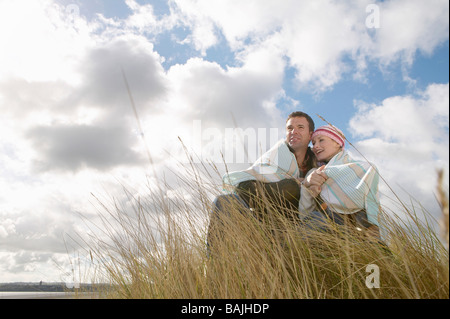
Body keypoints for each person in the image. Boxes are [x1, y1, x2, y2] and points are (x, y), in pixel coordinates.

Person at [206, 111, 317, 255]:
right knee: (224, 201)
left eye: (300, 127)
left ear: (310, 134)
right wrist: (293, 185)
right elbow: (243, 188)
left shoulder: (319, 162)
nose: (294, 131)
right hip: (261, 225)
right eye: (290, 128)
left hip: (297, 231)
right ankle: (214, 266)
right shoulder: (276, 155)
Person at [299, 124, 382, 240]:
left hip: (359, 223)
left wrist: (328, 173)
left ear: (337, 143)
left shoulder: (357, 168)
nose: (315, 146)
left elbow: (370, 169)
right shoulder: (315, 172)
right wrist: (308, 186)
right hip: (331, 222)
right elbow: (308, 209)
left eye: (321, 140)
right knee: (315, 218)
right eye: (313, 143)